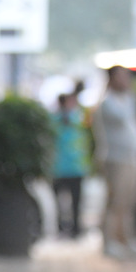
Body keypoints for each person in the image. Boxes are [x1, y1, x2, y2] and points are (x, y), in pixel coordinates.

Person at [93, 65, 136, 256]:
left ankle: (126, 239)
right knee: (115, 202)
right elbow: (125, 116)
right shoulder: (107, 102)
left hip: (132, 159)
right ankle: (110, 241)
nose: (125, 80)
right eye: (121, 76)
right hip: (116, 159)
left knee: (128, 203)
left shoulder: (125, 98)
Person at [50, 81, 89, 237]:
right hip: (60, 167)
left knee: (75, 201)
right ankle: (62, 227)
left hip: (74, 167)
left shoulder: (76, 117)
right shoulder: (58, 119)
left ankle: (74, 228)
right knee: (61, 202)